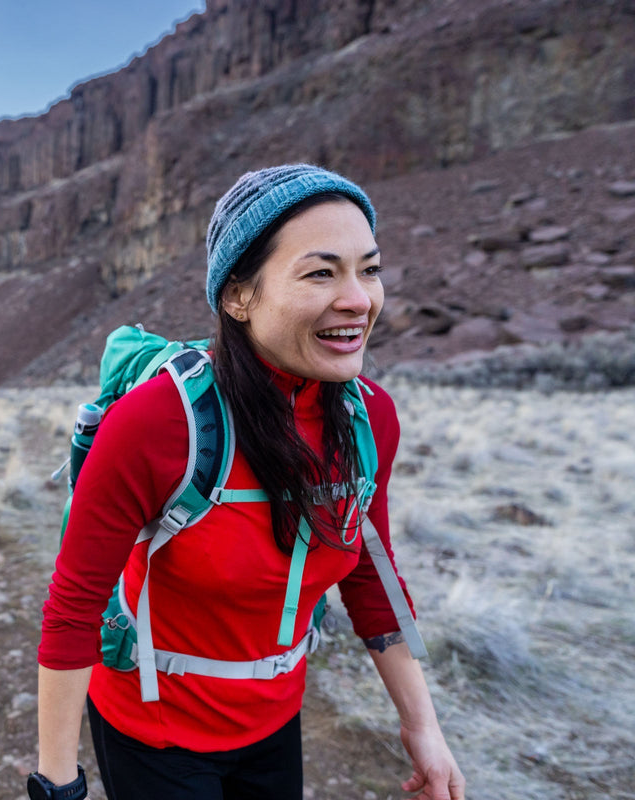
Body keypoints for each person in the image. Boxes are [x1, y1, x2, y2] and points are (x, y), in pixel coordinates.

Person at [30, 165, 465, 799]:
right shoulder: (158, 424)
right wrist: (58, 782)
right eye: (321, 272)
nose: (359, 299)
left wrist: (423, 727)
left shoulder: (370, 417)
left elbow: (370, 572)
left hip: (274, 719)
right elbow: (74, 605)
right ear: (238, 296)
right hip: (154, 732)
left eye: (368, 269)